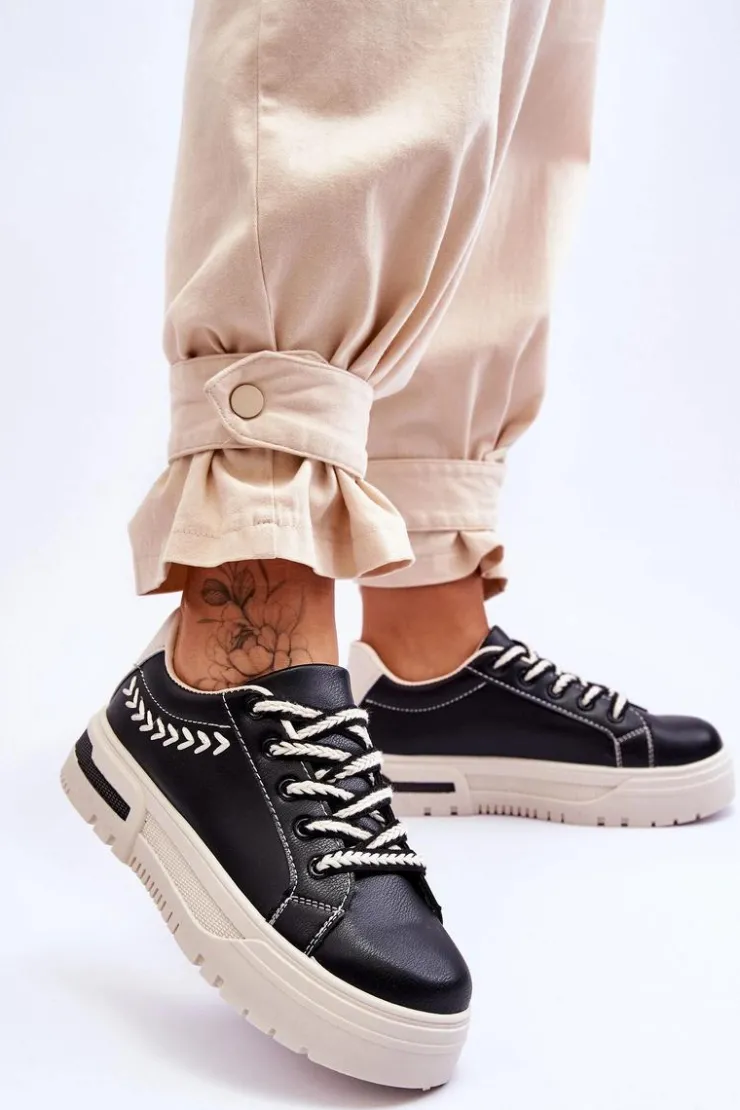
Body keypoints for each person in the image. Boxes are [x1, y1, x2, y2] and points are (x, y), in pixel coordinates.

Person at [60, 0, 734, 1090]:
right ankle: (235, 645)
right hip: (239, 622)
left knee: (512, 72)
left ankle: (428, 633)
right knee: (378, 33)